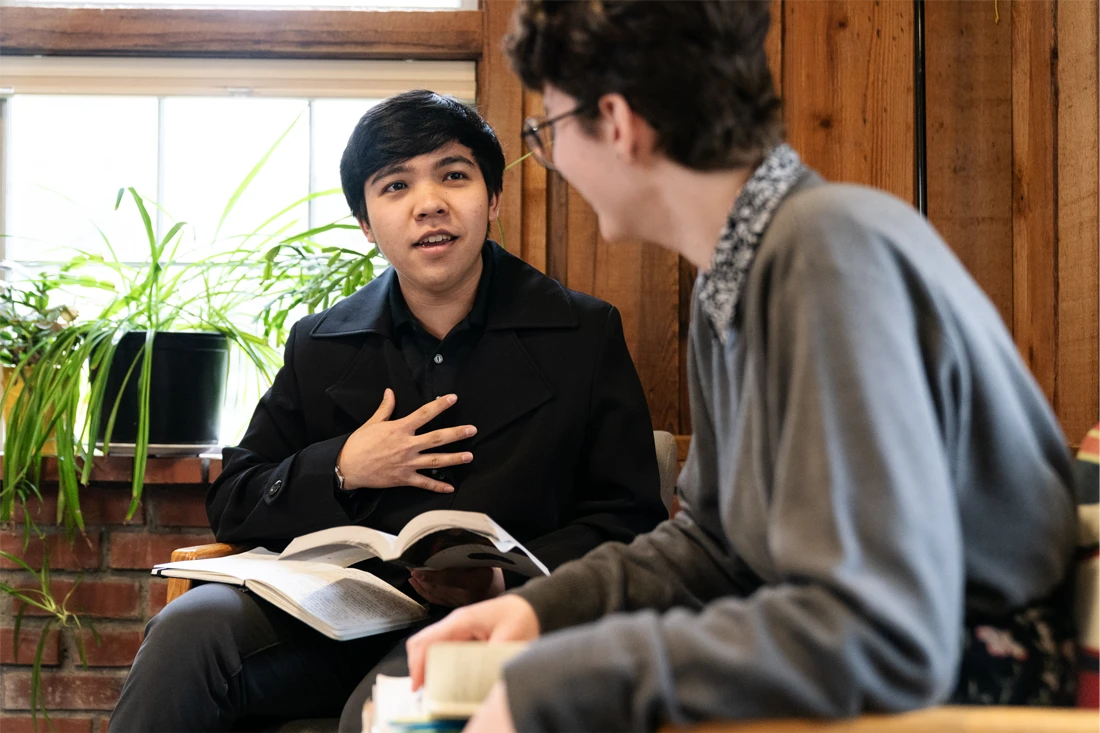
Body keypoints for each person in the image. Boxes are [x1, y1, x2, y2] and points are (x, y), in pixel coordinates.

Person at [405, 2, 1079, 731]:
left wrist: (577, 676)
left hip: (978, 677)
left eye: (549, 131)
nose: (555, 159)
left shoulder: (825, 255)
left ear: (620, 123)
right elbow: (715, 545)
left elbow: (880, 629)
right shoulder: (739, 275)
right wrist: (536, 613)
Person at [108, 90, 666, 733]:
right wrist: (341, 467)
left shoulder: (581, 333)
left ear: (492, 199)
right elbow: (235, 496)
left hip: (503, 624)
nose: (429, 202)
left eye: (454, 175)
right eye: (395, 184)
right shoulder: (319, 342)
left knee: (387, 705)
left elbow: (629, 520)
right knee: (190, 628)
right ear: (367, 224)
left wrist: (506, 586)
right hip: (338, 616)